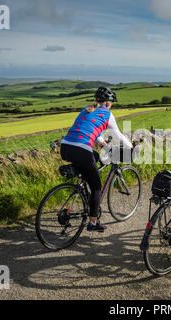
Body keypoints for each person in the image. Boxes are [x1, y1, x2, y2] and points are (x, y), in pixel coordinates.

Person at [60, 87, 133, 232]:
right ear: (109, 102)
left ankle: (81, 180)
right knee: (97, 187)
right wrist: (130, 147)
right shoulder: (107, 114)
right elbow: (117, 135)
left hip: (65, 147)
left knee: (95, 156)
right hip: (81, 149)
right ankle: (93, 223)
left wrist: (102, 143)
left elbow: (89, 128)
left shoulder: (86, 109)